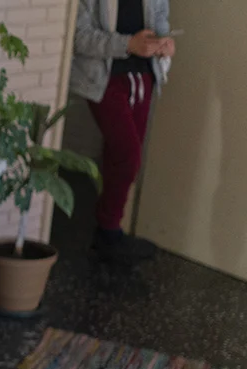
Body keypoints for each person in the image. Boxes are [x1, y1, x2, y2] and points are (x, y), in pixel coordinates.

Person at [71, 0, 174, 263]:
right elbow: (78, 36)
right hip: (104, 81)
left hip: (144, 76)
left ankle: (107, 229)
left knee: (121, 154)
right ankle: (108, 230)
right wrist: (128, 45)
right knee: (128, 155)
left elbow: (161, 21)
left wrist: (165, 45)